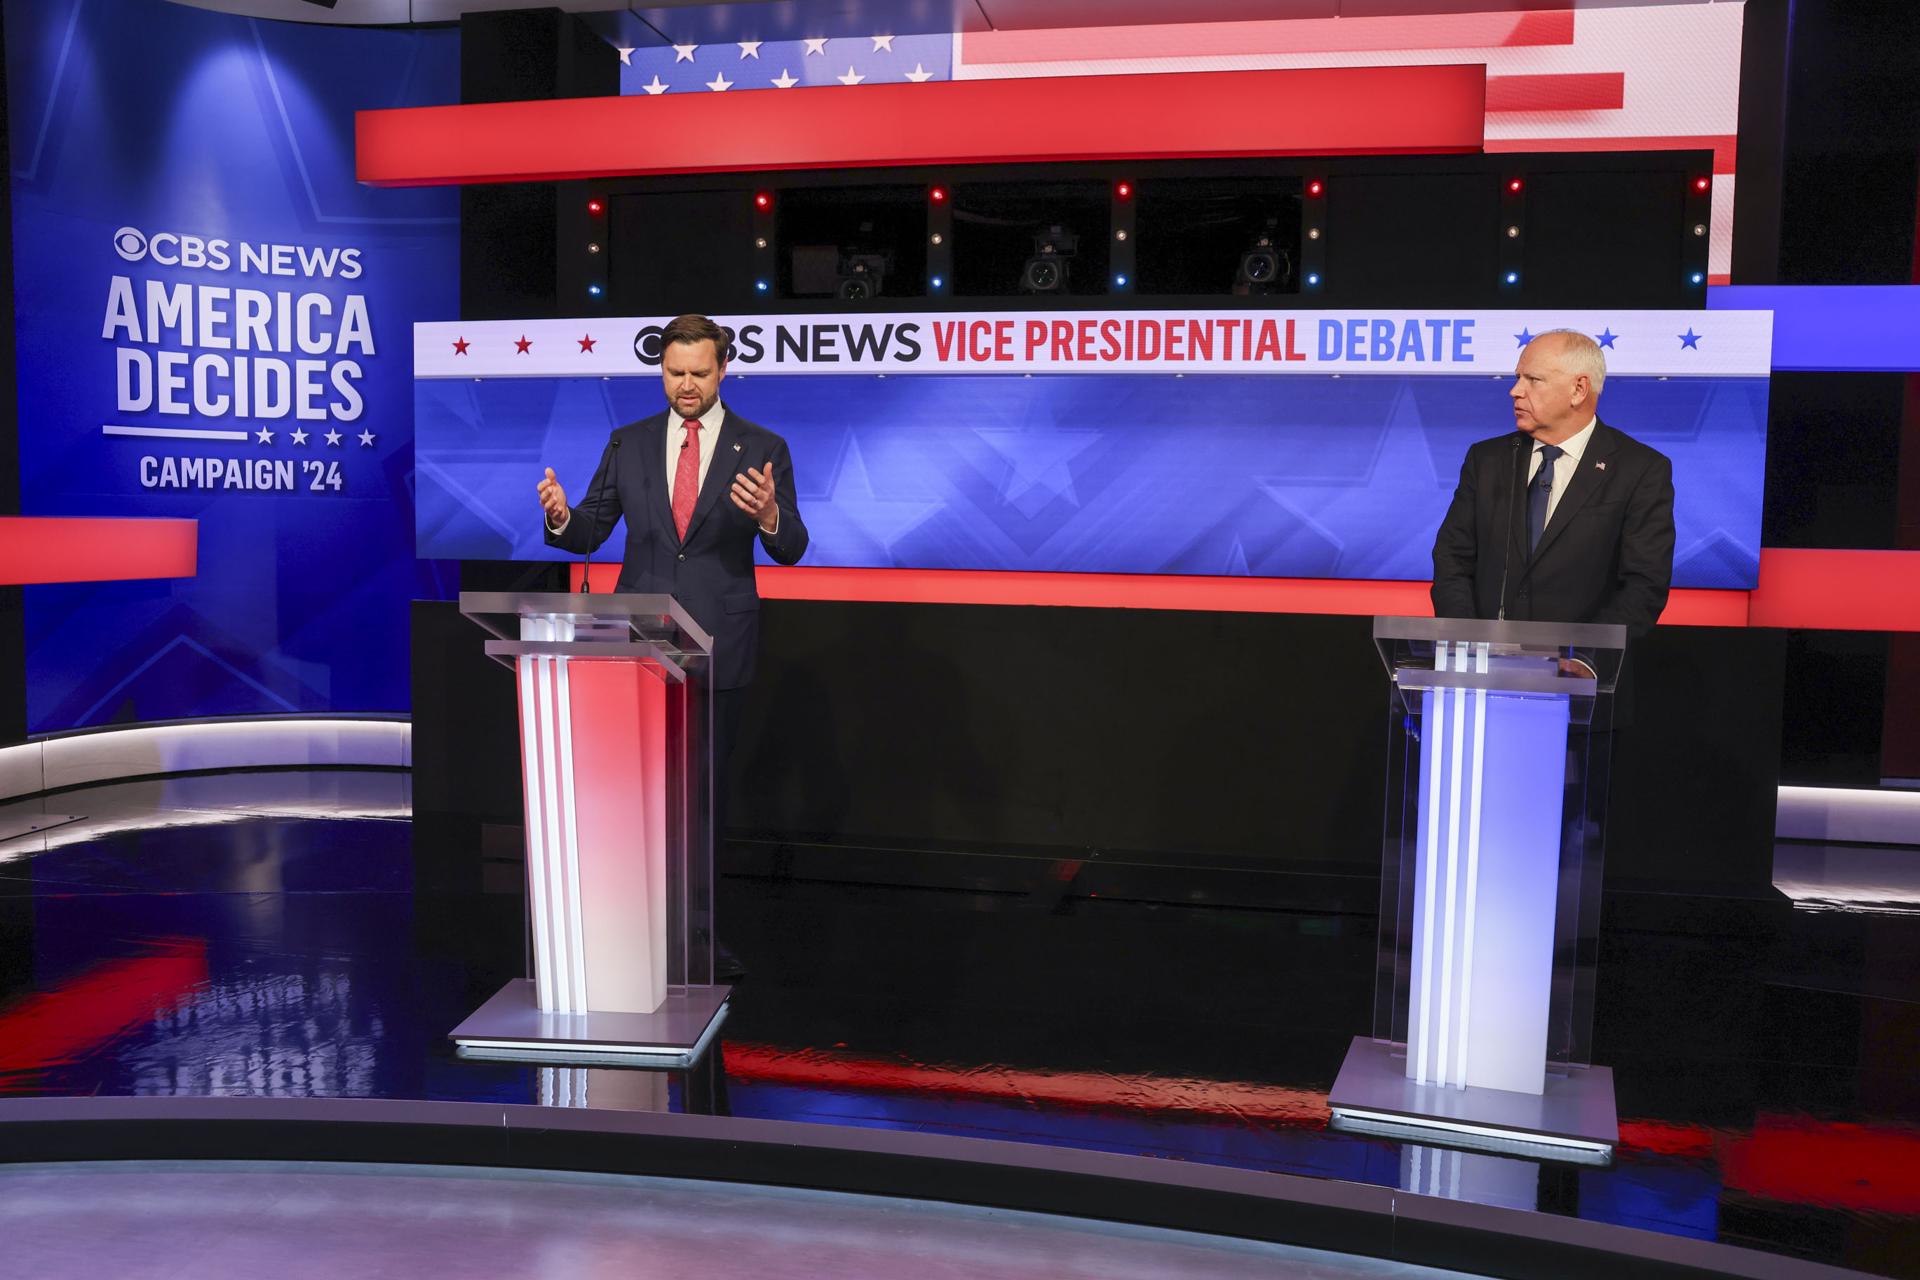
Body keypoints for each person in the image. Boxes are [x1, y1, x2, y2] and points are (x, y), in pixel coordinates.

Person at [537, 313, 808, 973]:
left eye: (698, 373)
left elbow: (793, 546)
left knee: (701, 798)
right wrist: (561, 515)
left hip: (722, 641)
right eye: (673, 372)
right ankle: (629, 929)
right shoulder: (628, 443)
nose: (685, 385)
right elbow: (591, 530)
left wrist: (771, 516)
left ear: (723, 369)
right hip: (639, 644)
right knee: (637, 794)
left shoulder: (761, 445)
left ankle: (696, 936)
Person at [1431, 329, 1674, 633]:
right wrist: (1466, 640)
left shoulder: (1640, 470)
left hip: (1586, 673)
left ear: (1578, 389)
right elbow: (1452, 559)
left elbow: (1644, 585)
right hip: (1487, 668)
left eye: (1533, 380)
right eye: (1518, 378)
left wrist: (1582, 656)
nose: (1515, 391)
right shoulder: (1487, 460)